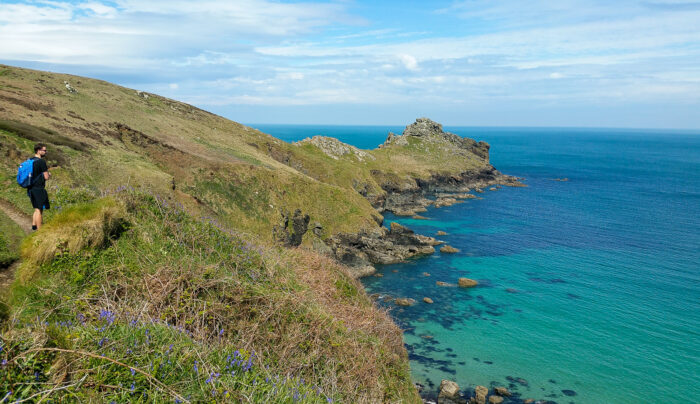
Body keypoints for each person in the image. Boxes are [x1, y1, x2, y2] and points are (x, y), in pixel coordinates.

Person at [28, 143, 50, 230]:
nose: (46, 152)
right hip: (39, 188)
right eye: (44, 150)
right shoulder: (41, 162)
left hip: (30, 188)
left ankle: (34, 226)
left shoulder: (30, 160)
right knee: (39, 210)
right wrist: (49, 174)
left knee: (36, 208)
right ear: (38, 150)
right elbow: (46, 177)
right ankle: (40, 230)